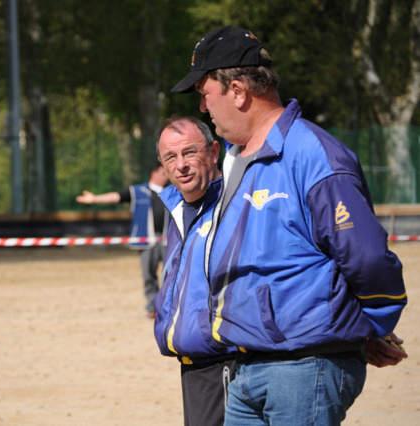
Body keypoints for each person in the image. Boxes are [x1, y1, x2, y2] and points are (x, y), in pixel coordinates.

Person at [170, 25, 408, 425]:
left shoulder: (313, 154)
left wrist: (369, 326)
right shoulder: (232, 160)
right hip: (246, 368)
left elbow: (366, 258)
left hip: (303, 369)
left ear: (239, 91)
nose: (203, 109)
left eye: (205, 94)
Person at [154, 115, 237, 426]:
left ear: (213, 152)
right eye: (170, 157)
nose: (181, 165)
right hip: (193, 364)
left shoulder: (234, 201)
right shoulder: (176, 207)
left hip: (228, 361)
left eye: (189, 152)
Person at [76, 161, 168, 318]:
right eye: (163, 172)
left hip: (168, 241)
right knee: (149, 276)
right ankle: (152, 307)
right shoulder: (138, 191)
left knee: (171, 274)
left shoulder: (173, 191)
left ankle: (169, 307)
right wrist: (94, 199)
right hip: (147, 241)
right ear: (154, 173)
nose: (167, 175)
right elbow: (116, 196)